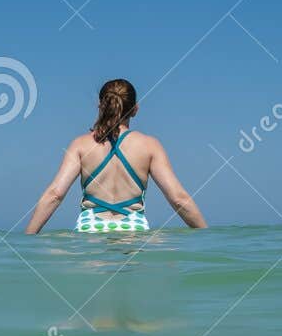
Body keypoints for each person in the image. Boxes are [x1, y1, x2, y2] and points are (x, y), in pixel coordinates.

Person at [24, 78, 207, 235]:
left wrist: (28, 237)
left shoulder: (80, 144)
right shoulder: (150, 146)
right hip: (133, 231)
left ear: (100, 107)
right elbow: (178, 199)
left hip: (90, 230)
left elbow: (55, 195)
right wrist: (207, 236)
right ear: (135, 109)